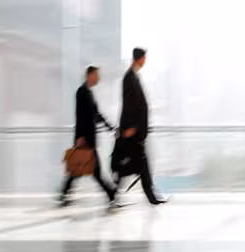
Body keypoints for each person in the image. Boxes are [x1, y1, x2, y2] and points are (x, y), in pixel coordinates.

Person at [115, 48, 169, 205]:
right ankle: (115, 191)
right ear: (140, 59)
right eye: (144, 58)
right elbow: (128, 105)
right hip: (132, 131)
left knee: (141, 164)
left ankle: (150, 195)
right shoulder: (129, 78)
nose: (145, 61)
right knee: (136, 164)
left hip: (136, 130)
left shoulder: (134, 76)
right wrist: (130, 127)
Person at [61, 66, 120, 207]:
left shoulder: (89, 92)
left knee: (78, 171)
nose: (98, 78)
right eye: (96, 75)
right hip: (85, 139)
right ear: (89, 75)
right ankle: (111, 195)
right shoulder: (81, 92)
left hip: (88, 138)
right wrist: (80, 137)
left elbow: (96, 114)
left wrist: (110, 127)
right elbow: (80, 116)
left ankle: (64, 194)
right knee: (93, 170)